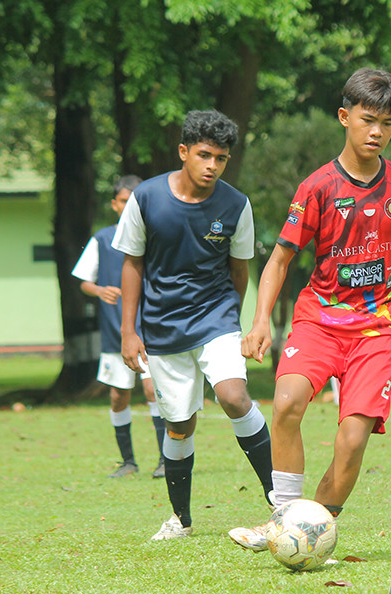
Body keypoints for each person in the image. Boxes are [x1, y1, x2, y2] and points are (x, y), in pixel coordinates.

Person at [228, 68, 391, 551]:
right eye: (368, 120)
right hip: (319, 319)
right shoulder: (317, 187)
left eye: (388, 124)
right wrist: (260, 319)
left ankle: (310, 530)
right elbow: (280, 259)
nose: (377, 132)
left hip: (376, 329)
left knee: (352, 444)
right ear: (344, 117)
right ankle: (283, 517)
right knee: (288, 403)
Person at [112, 109, 274, 541]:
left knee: (234, 397)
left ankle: (280, 502)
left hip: (216, 317)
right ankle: (181, 520)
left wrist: (231, 323)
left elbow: (240, 270)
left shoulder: (236, 204)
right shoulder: (145, 198)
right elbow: (132, 264)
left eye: (221, 159)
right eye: (204, 155)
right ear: (183, 151)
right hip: (162, 327)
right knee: (180, 425)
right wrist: (129, 332)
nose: (212, 166)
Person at [71, 175, 166, 479]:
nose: (128, 206)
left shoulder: (157, 236)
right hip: (116, 332)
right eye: (124, 201)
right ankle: (128, 462)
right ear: (114, 204)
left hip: (152, 331)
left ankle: (166, 460)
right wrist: (100, 290)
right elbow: (84, 280)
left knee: (153, 390)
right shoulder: (102, 239)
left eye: (134, 201)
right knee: (118, 396)